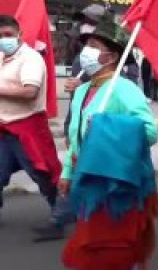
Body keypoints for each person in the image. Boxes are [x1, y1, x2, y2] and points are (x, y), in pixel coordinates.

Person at [58, 15, 158, 270]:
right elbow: (75, 136)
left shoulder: (125, 89)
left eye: (95, 46)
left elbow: (149, 131)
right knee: (93, 246)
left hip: (116, 183)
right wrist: (67, 172)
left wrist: (106, 128)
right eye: (87, 45)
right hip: (88, 178)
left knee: (117, 248)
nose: (87, 52)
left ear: (112, 57)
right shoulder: (81, 90)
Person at [0, 15, 71, 240]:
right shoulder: (2, 57)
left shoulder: (30, 59)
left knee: (44, 174)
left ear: (19, 34)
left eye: (8, 35)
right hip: (3, 128)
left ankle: (60, 218)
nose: (3, 39)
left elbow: (30, 92)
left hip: (27, 126)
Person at [63, 5, 139, 138]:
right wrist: (71, 132)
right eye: (83, 21)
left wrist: (102, 126)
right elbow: (75, 112)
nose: (84, 26)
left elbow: (146, 130)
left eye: (90, 22)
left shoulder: (125, 87)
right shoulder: (79, 60)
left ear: (112, 57)